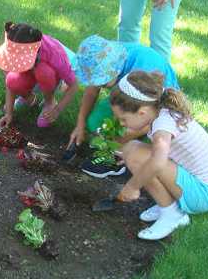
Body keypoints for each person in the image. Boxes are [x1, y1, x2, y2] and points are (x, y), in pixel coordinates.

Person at [111, 70, 208, 240]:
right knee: (132, 151)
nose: (121, 123)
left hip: (203, 194)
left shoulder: (163, 125)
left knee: (135, 155)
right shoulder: (159, 111)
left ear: (142, 112)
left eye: (123, 119)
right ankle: (168, 202)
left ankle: (172, 214)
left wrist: (132, 187)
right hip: (198, 184)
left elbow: (157, 162)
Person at [68, 35, 179, 178]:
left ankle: (117, 159)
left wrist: (111, 145)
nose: (100, 85)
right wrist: (80, 123)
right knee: (94, 122)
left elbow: (150, 117)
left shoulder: (143, 68)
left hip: (156, 106)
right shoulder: (103, 55)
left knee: (126, 128)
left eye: (103, 82)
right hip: (129, 98)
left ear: (114, 71)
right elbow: (92, 90)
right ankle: (112, 143)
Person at [0, 22, 78, 130]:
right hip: (32, 71)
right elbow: (10, 83)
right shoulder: (15, 48)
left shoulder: (54, 53)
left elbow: (74, 84)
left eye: (18, 61)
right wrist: (9, 114)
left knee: (43, 72)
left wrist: (57, 110)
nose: (14, 63)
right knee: (12, 79)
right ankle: (28, 97)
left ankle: (49, 102)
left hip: (52, 75)